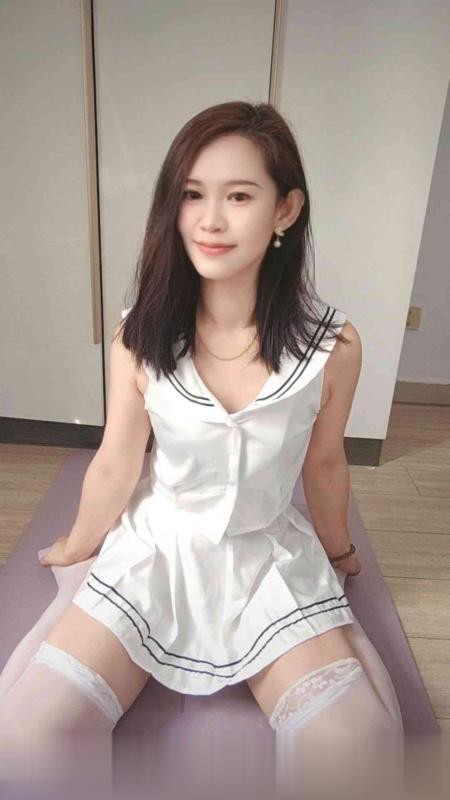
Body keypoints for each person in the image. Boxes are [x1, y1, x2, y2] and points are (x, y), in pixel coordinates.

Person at [0, 101, 404, 798]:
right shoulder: (141, 334)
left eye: (238, 196)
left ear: (285, 210)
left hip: (267, 559)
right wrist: (78, 543)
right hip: (154, 553)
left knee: (357, 752)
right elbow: (118, 458)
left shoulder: (333, 347)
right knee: (29, 736)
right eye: (192, 195)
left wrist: (337, 551)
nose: (209, 220)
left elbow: (325, 463)